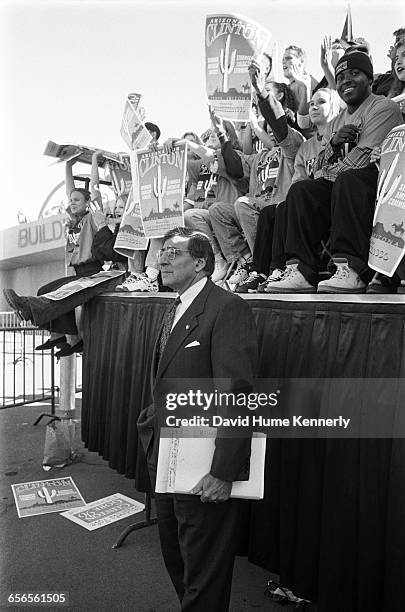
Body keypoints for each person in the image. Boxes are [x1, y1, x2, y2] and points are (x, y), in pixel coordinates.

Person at [137, 227, 258, 611]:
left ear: (201, 262)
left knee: (204, 574)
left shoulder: (227, 308)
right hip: (168, 463)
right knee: (177, 560)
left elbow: (237, 395)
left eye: (174, 253)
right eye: (162, 253)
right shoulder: (173, 307)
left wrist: (223, 471)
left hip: (205, 469)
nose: (162, 259)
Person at [261, 51, 403, 294]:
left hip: (379, 188)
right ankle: (301, 271)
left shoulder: (383, 107)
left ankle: (353, 269)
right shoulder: (336, 122)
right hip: (343, 185)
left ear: (370, 79)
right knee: (302, 190)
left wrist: (328, 165)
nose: (346, 80)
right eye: (341, 76)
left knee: (348, 180)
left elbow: (364, 159)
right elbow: (317, 168)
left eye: (354, 74)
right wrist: (333, 145)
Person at [3, 158, 125, 355]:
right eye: (71, 200)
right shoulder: (74, 219)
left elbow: (94, 190)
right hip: (78, 270)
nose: (72, 202)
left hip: (92, 270)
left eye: (77, 200)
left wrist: (93, 161)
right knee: (45, 288)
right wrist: (68, 165)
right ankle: (60, 337)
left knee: (62, 291)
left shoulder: (92, 217)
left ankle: (30, 309)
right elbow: (70, 190)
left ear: (88, 203)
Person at [238, 87, 341, 293]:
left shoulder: (344, 133)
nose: (313, 106)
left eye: (320, 102)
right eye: (311, 103)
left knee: (293, 199)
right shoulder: (306, 147)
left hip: (335, 199)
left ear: (336, 108)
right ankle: (265, 271)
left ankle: (289, 268)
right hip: (308, 204)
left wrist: (262, 95)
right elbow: (298, 180)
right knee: (273, 210)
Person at [209, 79, 303, 287]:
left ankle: (263, 266)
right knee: (218, 210)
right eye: (266, 126)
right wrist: (222, 134)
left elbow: (282, 129)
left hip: (280, 207)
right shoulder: (259, 156)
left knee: (243, 203)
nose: (270, 129)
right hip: (254, 208)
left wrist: (261, 94)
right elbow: (235, 166)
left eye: (272, 125)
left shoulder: (293, 146)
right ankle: (247, 260)